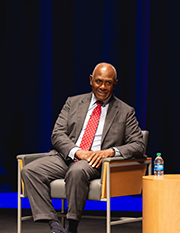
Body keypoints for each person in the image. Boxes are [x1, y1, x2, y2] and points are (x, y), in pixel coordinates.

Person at [21, 62, 145, 233]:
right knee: (29, 170)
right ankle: (54, 225)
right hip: (68, 155)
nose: (102, 87)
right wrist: (77, 151)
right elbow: (57, 134)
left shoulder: (125, 111)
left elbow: (138, 144)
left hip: (94, 161)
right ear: (91, 80)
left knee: (77, 171)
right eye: (98, 81)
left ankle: (72, 227)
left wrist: (109, 152)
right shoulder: (73, 102)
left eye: (108, 82)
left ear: (115, 83)